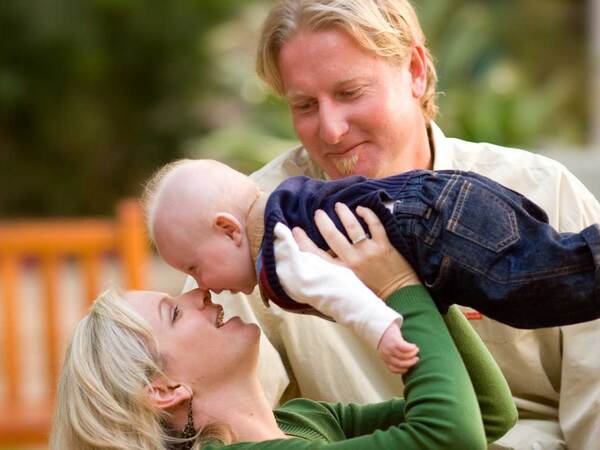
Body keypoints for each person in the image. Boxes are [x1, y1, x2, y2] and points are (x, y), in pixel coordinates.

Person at [179, 1, 600, 449]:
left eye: (350, 92)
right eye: (304, 104)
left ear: (416, 71)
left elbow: (594, 393)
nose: (332, 130)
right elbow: (216, 407)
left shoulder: (540, 189)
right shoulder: (254, 229)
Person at [50, 211, 517, 449]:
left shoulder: (303, 420)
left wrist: (424, 296)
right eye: (175, 313)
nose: (200, 295)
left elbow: (488, 413)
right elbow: (452, 438)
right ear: (165, 388)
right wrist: (398, 285)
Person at [146, 158, 600, 329]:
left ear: (229, 230)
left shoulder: (283, 255)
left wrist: (386, 332)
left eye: (194, 267)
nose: (198, 286)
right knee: (555, 259)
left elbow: (347, 293)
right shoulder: (290, 198)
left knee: (545, 287)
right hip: (447, 195)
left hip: (433, 225)